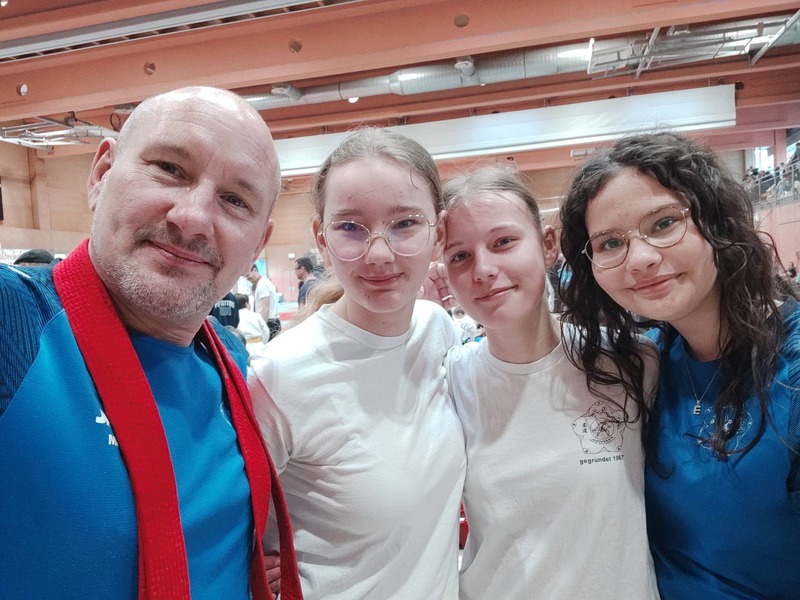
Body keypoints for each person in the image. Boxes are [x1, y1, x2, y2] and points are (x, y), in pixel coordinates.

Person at [0, 86, 301, 600]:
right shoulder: (16, 323)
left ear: (259, 241)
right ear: (101, 174)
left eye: (235, 200)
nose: (193, 217)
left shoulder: (229, 360)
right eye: (169, 168)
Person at [559, 132, 800, 599]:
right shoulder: (646, 364)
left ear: (715, 222)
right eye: (610, 243)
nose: (640, 260)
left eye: (664, 223)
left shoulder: (791, 370)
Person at [248, 127, 466, 599]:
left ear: (440, 232)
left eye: (405, 223)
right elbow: (236, 532)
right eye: (350, 228)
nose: (380, 254)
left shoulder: (438, 330)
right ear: (321, 239)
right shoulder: (279, 375)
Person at [437, 165, 659, 599]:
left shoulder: (632, 361)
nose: (483, 269)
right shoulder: (449, 381)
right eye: (459, 256)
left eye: (503, 242)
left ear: (548, 244)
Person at [247, 263, 281, 340]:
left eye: (248, 275)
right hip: (269, 321)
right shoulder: (259, 283)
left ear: (254, 270)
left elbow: (265, 308)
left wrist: (262, 327)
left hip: (269, 322)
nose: (247, 278)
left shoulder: (262, 285)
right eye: (245, 277)